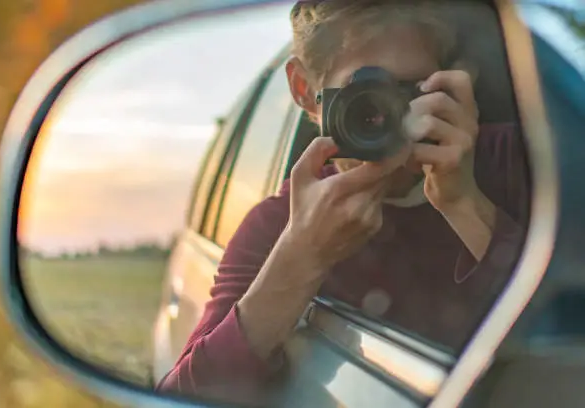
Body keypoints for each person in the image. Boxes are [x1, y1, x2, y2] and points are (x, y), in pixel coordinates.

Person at [157, 0, 529, 404]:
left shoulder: (526, 160)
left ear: (442, 84)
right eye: (363, 97)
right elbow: (182, 397)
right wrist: (301, 256)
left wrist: (464, 203)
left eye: (408, 91)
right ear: (305, 92)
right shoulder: (283, 224)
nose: (384, 116)